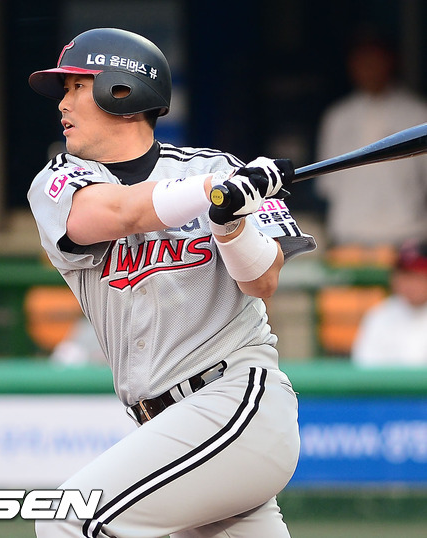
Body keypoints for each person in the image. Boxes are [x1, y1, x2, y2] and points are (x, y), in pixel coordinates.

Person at [28, 27, 316, 538]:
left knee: (70, 518)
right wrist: (213, 192)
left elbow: (263, 279)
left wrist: (229, 221)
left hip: (235, 402)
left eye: (77, 87)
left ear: (122, 91)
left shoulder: (221, 168)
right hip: (165, 426)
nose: (63, 104)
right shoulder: (57, 182)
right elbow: (117, 212)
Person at [316, 30, 427, 248]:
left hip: (408, 237)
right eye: (361, 61)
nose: (368, 68)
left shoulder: (418, 113)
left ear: (390, 61)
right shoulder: (338, 117)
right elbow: (328, 185)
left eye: (375, 59)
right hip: (350, 238)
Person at [352, 239, 427, 366]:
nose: (411, 284)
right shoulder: (379, 316)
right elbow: (365, 369)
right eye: (406, 275)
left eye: (418, 275)